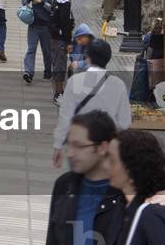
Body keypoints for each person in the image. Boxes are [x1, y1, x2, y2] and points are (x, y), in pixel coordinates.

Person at [46, 111, 165, 245]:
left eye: (79, 146)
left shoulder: (141, 205)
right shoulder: (65, 185)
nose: (71, 153)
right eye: (69, 145)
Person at [53, 39, 132, 168]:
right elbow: (124, 122)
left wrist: (58, 145)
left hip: (80, 145)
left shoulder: (75, 81)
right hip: (106, 147)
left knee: (78, 183)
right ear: (108, 58)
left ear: (87, 57)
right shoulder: (118, 84)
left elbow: (65, 117)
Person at [110, 130, 165, 245]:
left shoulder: (153, 215)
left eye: (111, 161)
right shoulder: (120, 203)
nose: (104, 165)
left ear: (131, 170)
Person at [48, 0, 78, 104]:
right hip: (59, 39)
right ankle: (58, 94)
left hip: (55, 36)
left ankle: (60, 92)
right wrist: (68, 41)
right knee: (60, 65)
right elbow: (65, 23)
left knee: (58, 63)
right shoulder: (64, 2)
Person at [21, 0, 55, 84]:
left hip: (47, 27)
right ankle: (28, 73)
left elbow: (53, 10)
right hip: (33, 25)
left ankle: (48, 72)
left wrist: (42, 2)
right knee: (31, 49)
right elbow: (23, 1)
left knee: (47, 51)